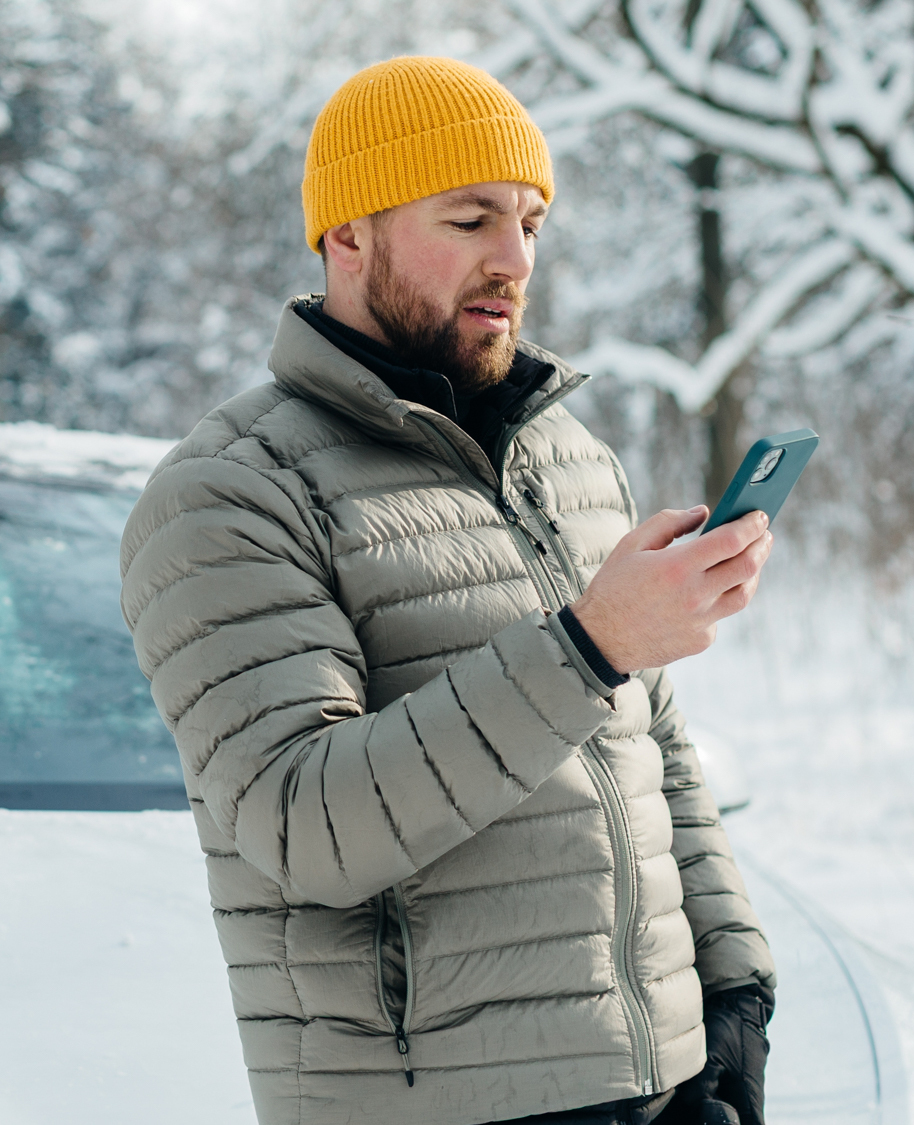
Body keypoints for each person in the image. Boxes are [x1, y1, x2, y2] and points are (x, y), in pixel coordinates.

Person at [119, 56, 776, 1125]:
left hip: (653, 1087)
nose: (513, 258)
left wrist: (733, 990)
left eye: (530, 222)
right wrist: (589, 644)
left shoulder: (569, 460)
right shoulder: (229, 492)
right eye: (470, 219)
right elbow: (302, 826)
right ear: (347, 238)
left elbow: (653, 752)